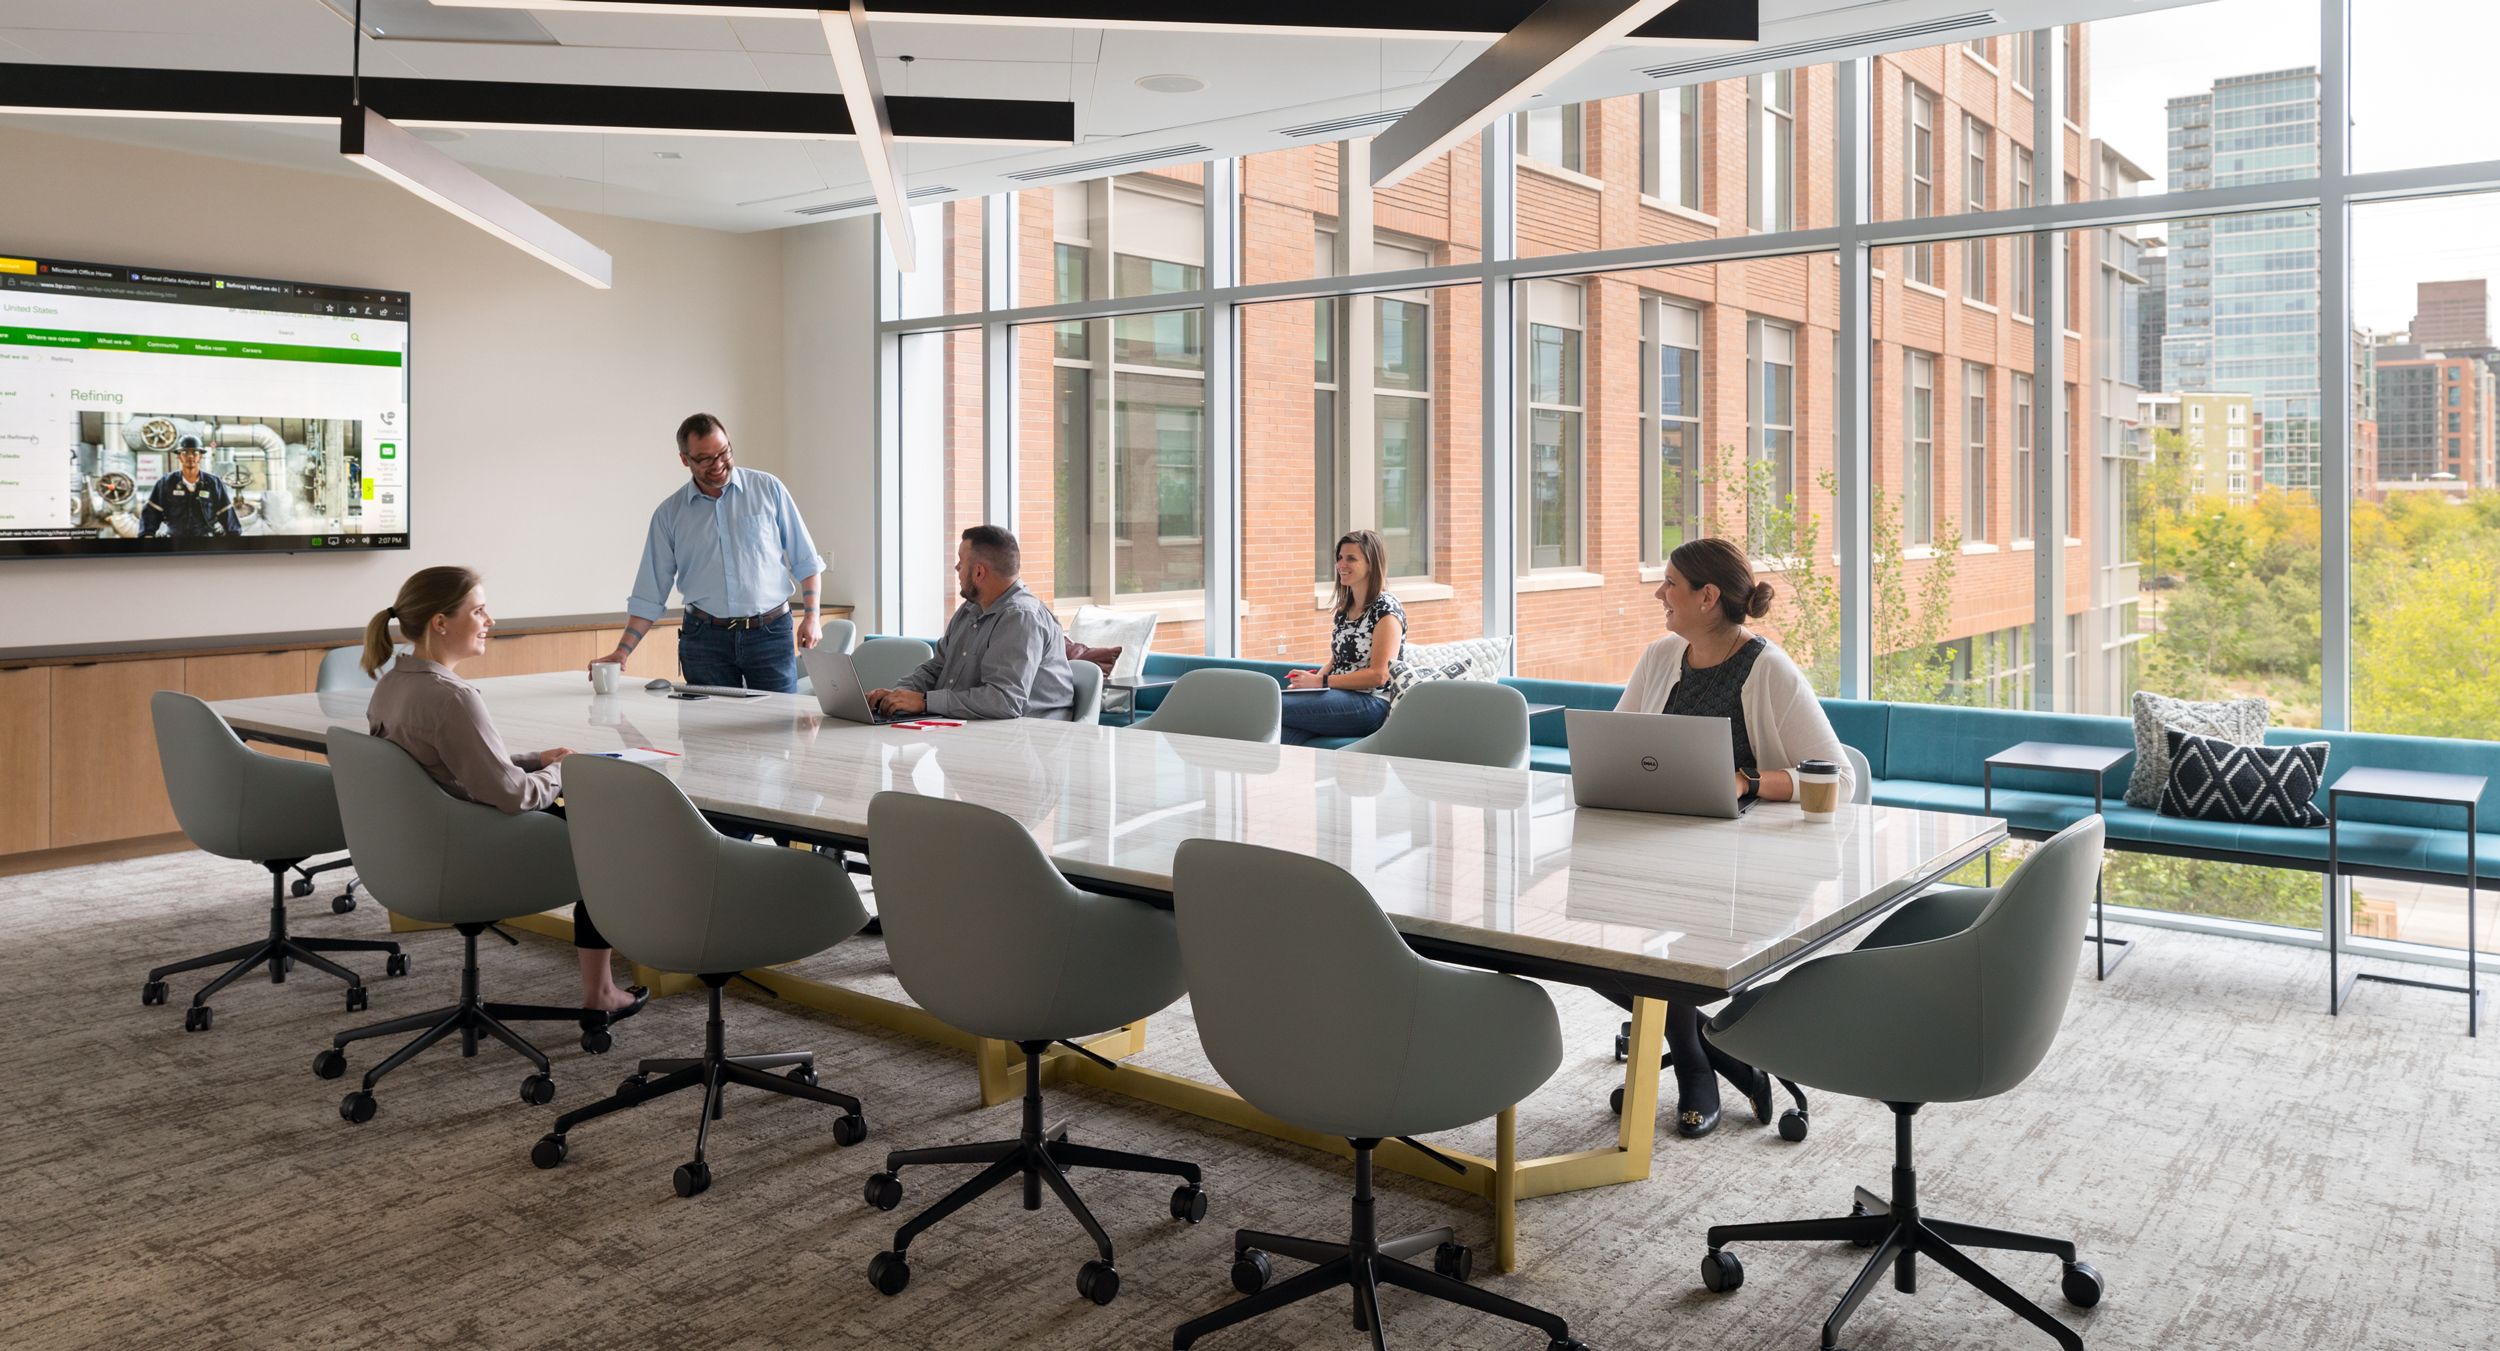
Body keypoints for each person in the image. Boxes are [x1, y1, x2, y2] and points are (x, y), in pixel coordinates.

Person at [1613, 536, 1854, 1139]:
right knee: (1578, 944)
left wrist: (1747, 780)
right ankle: (1722, 1050)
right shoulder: (1660, 657)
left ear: (1708, 596)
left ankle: (1695, 1066)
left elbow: (1838, 777)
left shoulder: (1767, 668)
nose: (1659, 594)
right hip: (1661, 848)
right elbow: (1618, 746)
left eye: (1670, 583)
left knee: (1658, 963)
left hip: (1743, 864)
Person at [364, 566, 645, 1025]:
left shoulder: (392, 684)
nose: (490, 620)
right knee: (606, 833)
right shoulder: (452, 697)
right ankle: (603, 992)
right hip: (472, 852)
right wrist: (564, 770)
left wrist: (537, 758)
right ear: (440, 623)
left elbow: (451, 761)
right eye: (478, 610)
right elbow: (513, 797)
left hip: (420, 847)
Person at [595, 412, 826, 692]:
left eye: (724, 452)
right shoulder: (669, 515)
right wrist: (622, 651)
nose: (718, 465)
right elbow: (649, 594)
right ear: (685, 459)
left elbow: (805, 560)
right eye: (705, 459)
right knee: (705, 732)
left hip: (769, 633)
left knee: (778, 727)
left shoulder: (768, 489)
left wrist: (812, 618)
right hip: (705, 641)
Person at [868, 525, 1075, 721]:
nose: (956, 567)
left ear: (978, 572)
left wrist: (924, 702)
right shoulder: (969, 609)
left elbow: (1004, 701)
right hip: (973, 729)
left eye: (960, 561)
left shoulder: (1021, 617)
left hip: (1026, 737)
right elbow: (937, 667)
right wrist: (897, 695)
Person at [1278, 529, 1408, 747]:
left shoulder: (1386, 609)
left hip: (1372, 703)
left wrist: (1321, 682)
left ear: (1371, 564)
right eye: (1339, 558)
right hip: (1338, 695)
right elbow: (1336, 661)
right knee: (1281, 731)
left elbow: (1380, 675)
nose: (1341, 565)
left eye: (1351, 558)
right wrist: (1311, 683)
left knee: (1270, 705)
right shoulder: (1345, 610)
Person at [140, 436, 243, 539]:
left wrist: (234, 540)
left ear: (200, 456)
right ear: (179, 456)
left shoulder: (214, 483)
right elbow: (151, 513)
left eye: (195, 452)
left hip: (206, 544)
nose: (190, 456)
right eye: (185, 452)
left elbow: (227, 514)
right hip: (174, 544)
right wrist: (147, 536)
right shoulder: (166, 482)